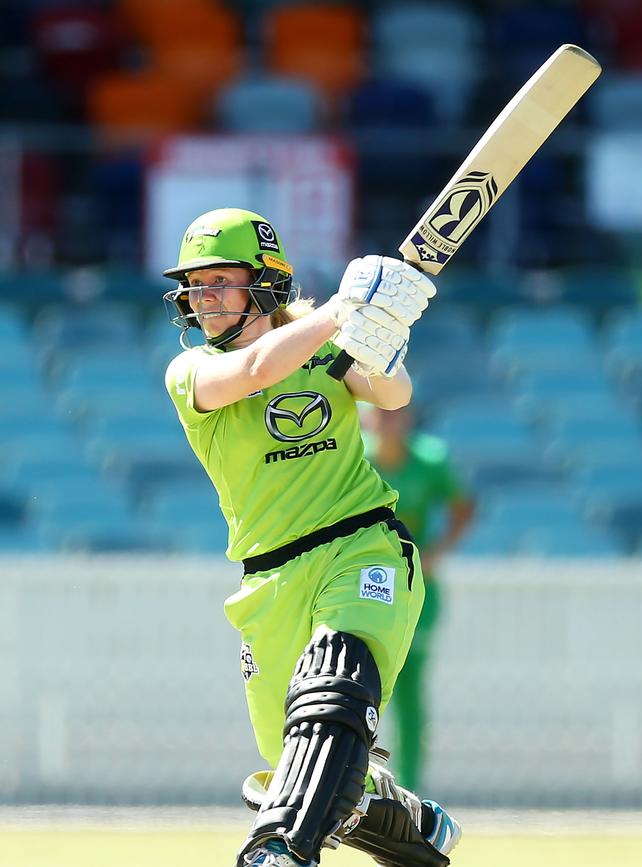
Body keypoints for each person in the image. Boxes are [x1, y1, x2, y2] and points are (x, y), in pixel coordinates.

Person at [162, 207, 462, 867]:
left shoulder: (325, 349)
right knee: (304, 764)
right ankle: (394, 815)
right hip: (268, 582)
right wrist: (344, 309)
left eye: (221, 281)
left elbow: (389, 393)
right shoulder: (190, 374)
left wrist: (382, 335)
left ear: (266, 284)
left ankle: (279, 849)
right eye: (196, 285)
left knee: (332, 690)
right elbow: (253, 373)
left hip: (361, 545)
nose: (204, 298)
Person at [363, 406, 475, 794]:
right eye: (379, 413)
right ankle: (352, 782)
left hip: (415, 588)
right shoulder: (354, 455)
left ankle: (409, 788)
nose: (387, 421)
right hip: (363, 585)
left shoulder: (429, 459)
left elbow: (464, 507)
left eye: (394, 414)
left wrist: (438, 552)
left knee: (409, 694)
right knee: (358, 688)